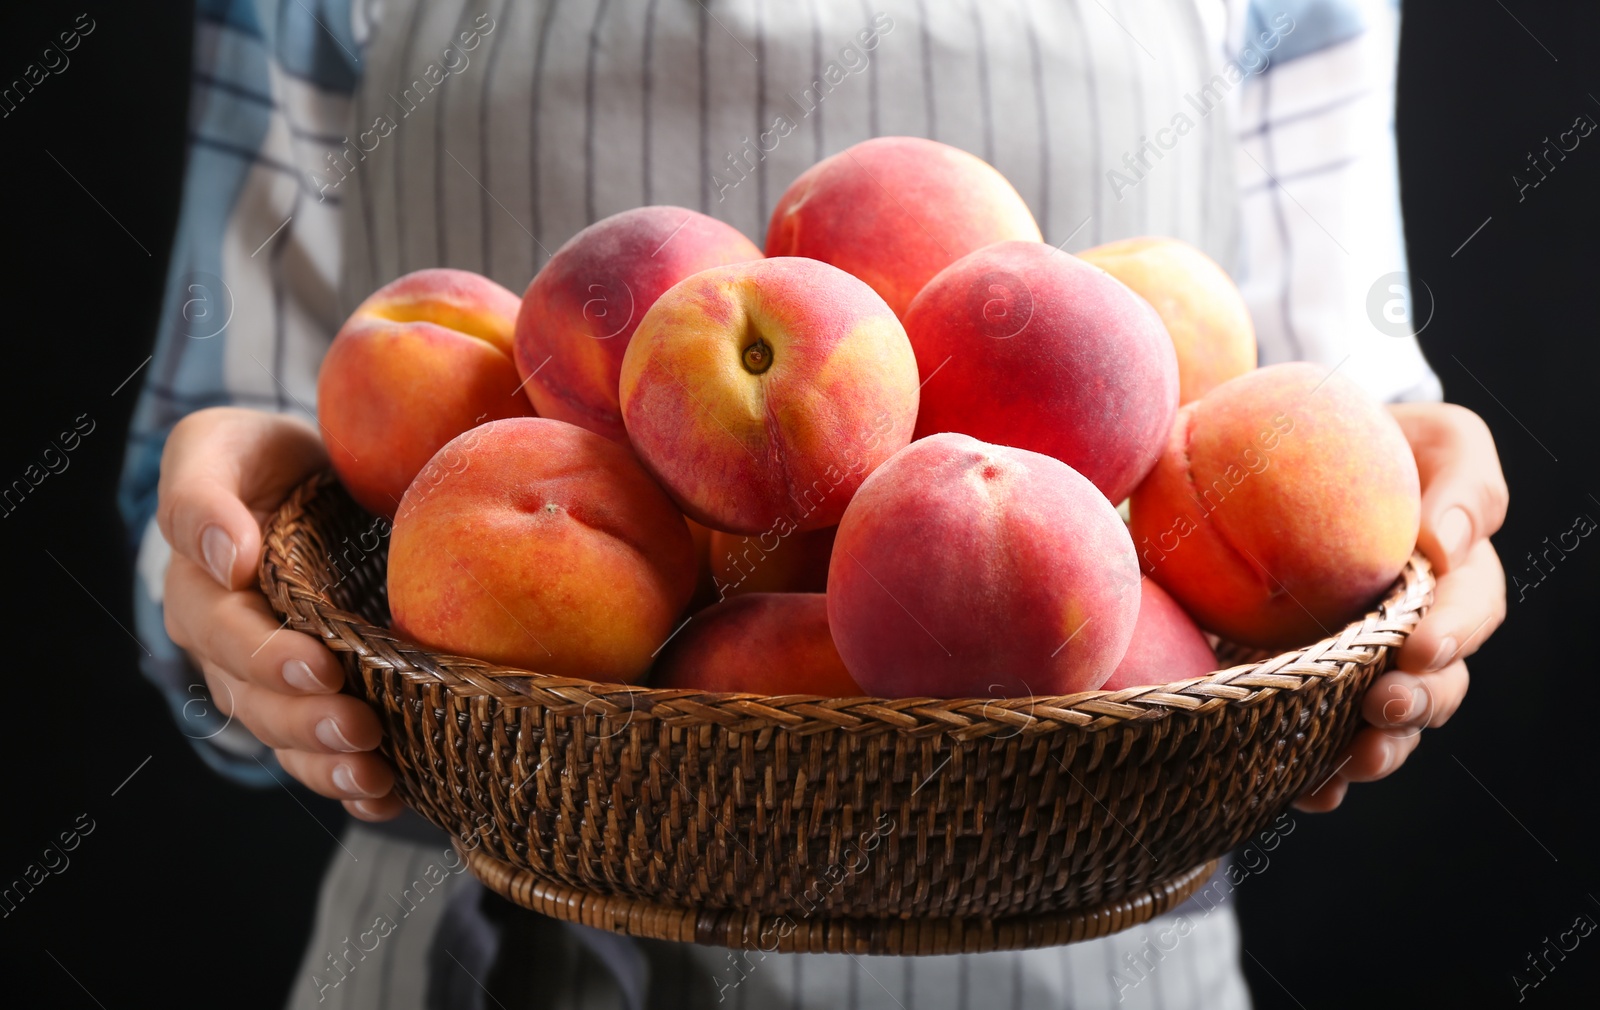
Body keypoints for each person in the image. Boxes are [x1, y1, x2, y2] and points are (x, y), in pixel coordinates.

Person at [125, 0, 1508, 1006]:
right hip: (470, 947)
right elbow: (218, 503)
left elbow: (1341, 391)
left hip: (1099, 956)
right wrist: (229, 598)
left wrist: (1410, 518)